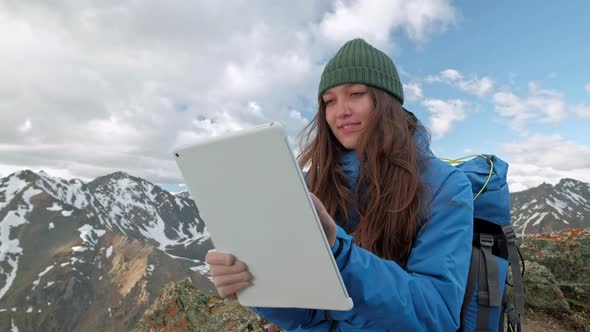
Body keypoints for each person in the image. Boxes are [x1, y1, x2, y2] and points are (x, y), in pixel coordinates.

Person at [205, 38, 474, 331]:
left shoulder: (445, 186)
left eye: (356, 93)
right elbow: (307, 315)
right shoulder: (310, 182)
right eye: (329, 100)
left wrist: (339, 254)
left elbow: (436, 315)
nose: (340, 111)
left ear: (388, 102)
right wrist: (254, 283)